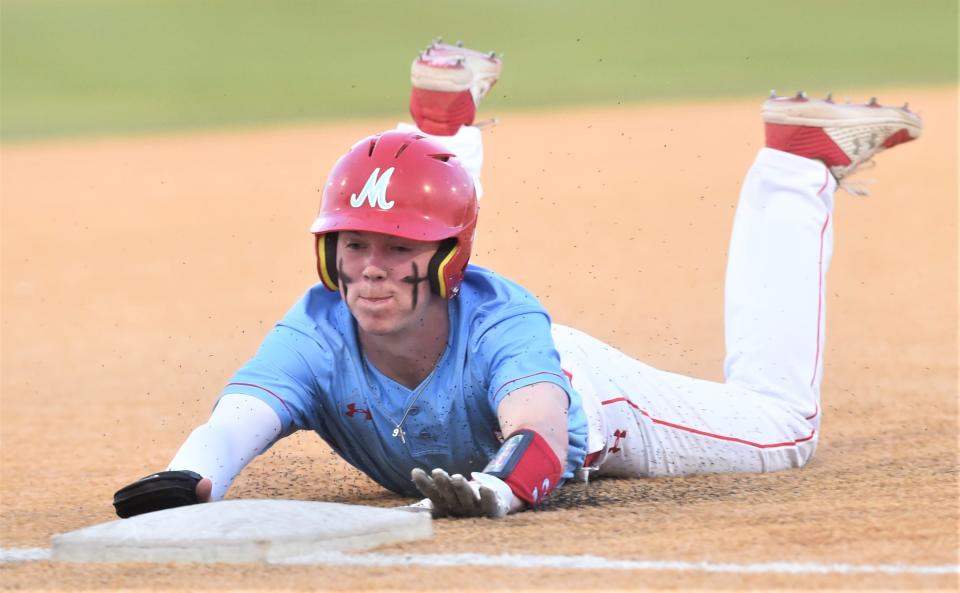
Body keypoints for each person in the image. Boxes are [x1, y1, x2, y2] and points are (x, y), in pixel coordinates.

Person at [112, 40, 922, 520]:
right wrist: (192, 477)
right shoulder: (316, 329)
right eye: (352, 245)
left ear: (447, 261)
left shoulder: (505, 323)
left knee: (784, 428)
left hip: (587, 392)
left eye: (398, 251)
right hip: (496, 373)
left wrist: (502, 487)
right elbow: (238, 418)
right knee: (416, 216)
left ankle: (794, 166)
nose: (369, 271)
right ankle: (439, 127)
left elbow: (535, 426)